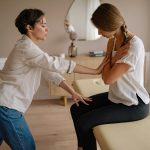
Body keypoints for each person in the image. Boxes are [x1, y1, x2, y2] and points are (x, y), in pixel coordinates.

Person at [0, 8, 108, 150]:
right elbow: (55, 63)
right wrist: (94, 71)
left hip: (5, 105)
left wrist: (72, 92)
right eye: (43, 25)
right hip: (7, 107)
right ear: (29, 27)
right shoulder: (26, 48)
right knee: (27, 147)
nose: (47, 28)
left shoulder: (29, 48)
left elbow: (50, 72)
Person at [70, 3, 150, 150]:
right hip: (117, 96)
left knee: (85, 122)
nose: (99, 33)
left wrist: (110, 60)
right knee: (76, 108)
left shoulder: (134, 46)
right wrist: (112, 59)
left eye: (100, 28)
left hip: (134, 104)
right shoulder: (112, 42)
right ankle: (82, 147)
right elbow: (105, 71)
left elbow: (107, 79)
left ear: (111, 24)